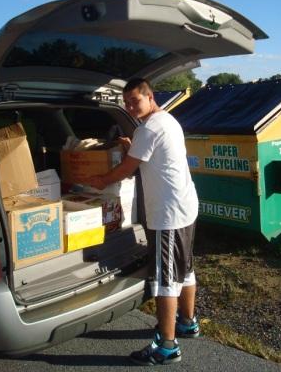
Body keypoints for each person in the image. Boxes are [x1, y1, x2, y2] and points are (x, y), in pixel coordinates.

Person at [89, 78, 199, 366]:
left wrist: (100, 181)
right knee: (185, 269)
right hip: (186, 207)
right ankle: (187, 323)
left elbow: (126, 169)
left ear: (150, 97)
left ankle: (167, 347)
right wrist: (132, 145)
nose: (129, 106)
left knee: (165, 280)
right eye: (125, 103)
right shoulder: (167, 121)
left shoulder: (148, 129)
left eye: (134, 101)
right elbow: (146, 154)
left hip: (167, 214)